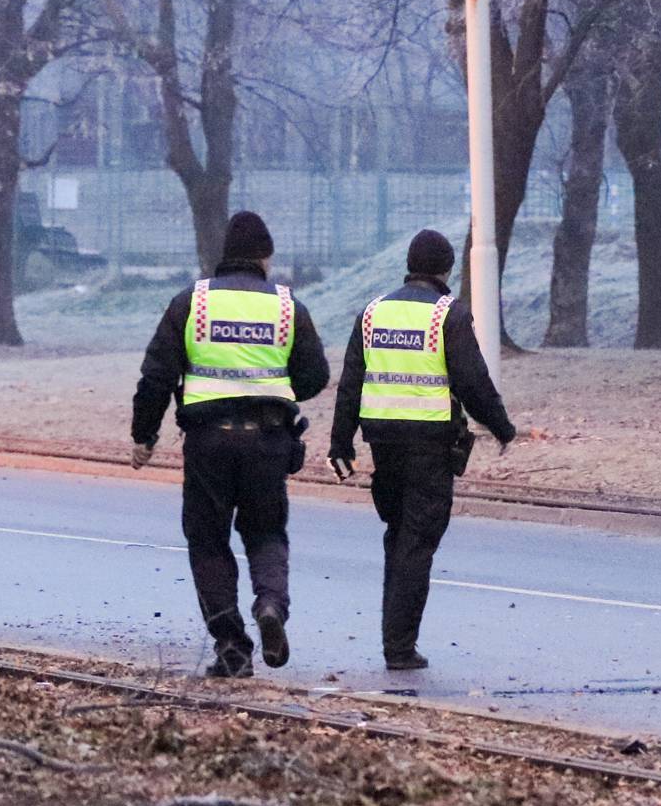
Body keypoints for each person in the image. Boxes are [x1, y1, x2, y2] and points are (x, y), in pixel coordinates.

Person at [131, 209, 330, 679]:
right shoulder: (287, 307)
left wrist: (144, 436)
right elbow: (315, 375)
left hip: (207, 442)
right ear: (265, 258)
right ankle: (271, 604)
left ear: (224, 258)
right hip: (268, 440)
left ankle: (232, 647)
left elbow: (156, 376)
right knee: (265, 531)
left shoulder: (191, 303)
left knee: (207, 540)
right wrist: (272, 391)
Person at [328, 228, 516, 672]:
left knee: (398, 538)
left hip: (384, 448)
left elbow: (351, 383)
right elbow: (473, 383)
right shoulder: (447, 316)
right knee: (417, 543)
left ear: (409, 265)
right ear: (446, 269)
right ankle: (399, 647)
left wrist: (341, 444)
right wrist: (502, 426)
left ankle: (395, 639)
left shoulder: (372, 314)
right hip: (430, 449)